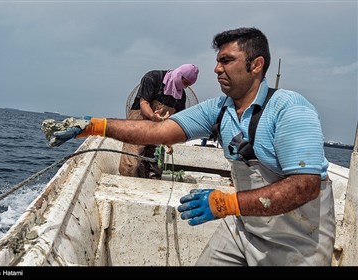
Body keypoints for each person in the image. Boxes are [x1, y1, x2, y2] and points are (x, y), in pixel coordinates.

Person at [43, 27, 335, 266]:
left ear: (256, 65)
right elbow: (159, 131)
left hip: (296, 246)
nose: (216, 68)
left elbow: (305, 185)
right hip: (244, 228)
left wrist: (228, 203)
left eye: (227, 60)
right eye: (218, 61)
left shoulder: (290, 109)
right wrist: (94, 126)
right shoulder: (219, 109)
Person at [120, 64, 199, 179]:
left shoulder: (181, 96)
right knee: (131, 161)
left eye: (188, 85)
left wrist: (171, 140)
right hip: (139, 123)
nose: (185, 87)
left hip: (158, 130)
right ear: (179, 75)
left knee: (154, 161)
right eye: (185, 83)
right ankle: (126, 182)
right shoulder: (153, 78)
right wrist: (152, 116)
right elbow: (144, 103)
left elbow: (177, 120)